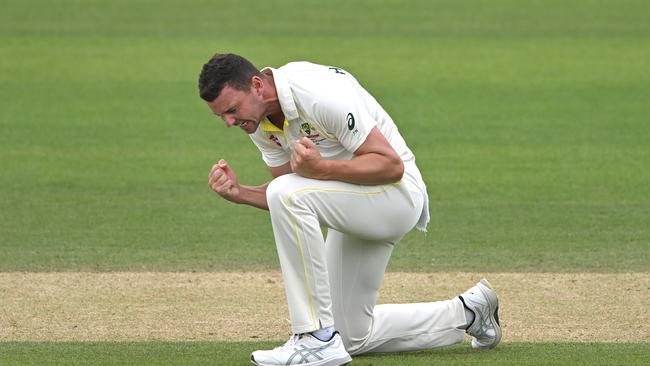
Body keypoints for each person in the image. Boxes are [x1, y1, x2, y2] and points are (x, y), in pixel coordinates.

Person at [198, 53, 501, 366]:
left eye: (232, 110)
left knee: (288, 196)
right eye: (222, 116)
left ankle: (315, 336)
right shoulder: (259, 123)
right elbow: (291, 191)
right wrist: (241, 193)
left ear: (257, 85)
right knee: (351, 335)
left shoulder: (318, 94)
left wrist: (323, 168)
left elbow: (390, 166)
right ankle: (470, 312)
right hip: (355, 205)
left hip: (396, 196)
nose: (230, 122)